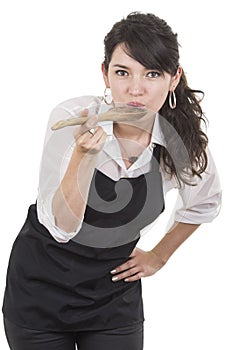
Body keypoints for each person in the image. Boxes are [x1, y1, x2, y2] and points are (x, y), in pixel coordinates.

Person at [2, 11, 221, 350]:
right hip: (39, 294)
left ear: (174, 78)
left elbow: (205, 202)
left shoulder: (181, 144)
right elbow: (61, 226)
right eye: (123, 72)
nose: (136, 89)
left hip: (113, 301)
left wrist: (159, 255)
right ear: (105, 74)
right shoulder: (71, 120)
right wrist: (82, 157)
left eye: (152, 74)